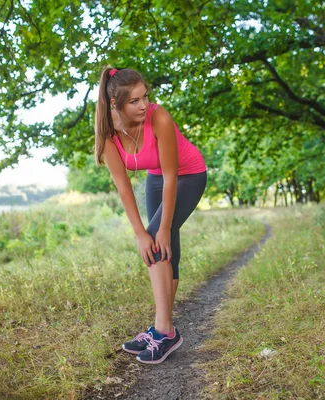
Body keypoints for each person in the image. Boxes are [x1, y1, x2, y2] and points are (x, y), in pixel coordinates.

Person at [94, 67, 207, 364]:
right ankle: (161, 329)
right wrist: (139, 232)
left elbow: (173, 176)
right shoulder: (108, 135)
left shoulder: (159, 117)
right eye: (134, 101)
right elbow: (123, 187)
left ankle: (165, 332)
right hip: (155, 179)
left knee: (159, 243)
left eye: (145, 96)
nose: (144, 105)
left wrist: (162, 227)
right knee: (165, 250)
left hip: (189, 175)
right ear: (115, 105)